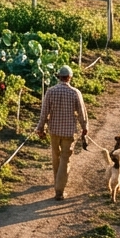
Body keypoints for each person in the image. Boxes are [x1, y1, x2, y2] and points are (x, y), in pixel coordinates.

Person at [35, 65, 89, 200]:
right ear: (70, 77)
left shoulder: (50, 91)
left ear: (59, 76)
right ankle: (59, 191)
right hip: (69, 132)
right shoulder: (75, 93)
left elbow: (44, 112)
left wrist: (40, 128)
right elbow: (82, 113)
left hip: (54, 130)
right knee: (65, 159)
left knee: (56, 157)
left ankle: (57, 182)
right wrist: (84, 128)